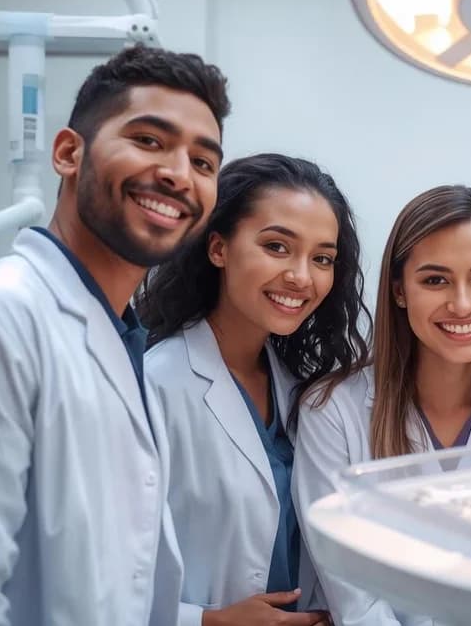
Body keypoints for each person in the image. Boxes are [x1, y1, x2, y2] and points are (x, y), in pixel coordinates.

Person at [0, 46, 230, 625]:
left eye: (204, 162)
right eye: (148, 140)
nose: (178, 174)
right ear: (69, 153)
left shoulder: (125, 341)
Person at [294, 185, 471, 626]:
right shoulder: (333, 411)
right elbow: (354, 597)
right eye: (435, 280)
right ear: (400, 291)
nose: (462, 303)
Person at [139, 154, 369, 626]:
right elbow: (98, 570)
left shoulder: (301, 387)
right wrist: (206, 622)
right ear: (219, 248)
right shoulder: (155, 383)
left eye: (322, 258)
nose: (302, 276)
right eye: (277, 247)